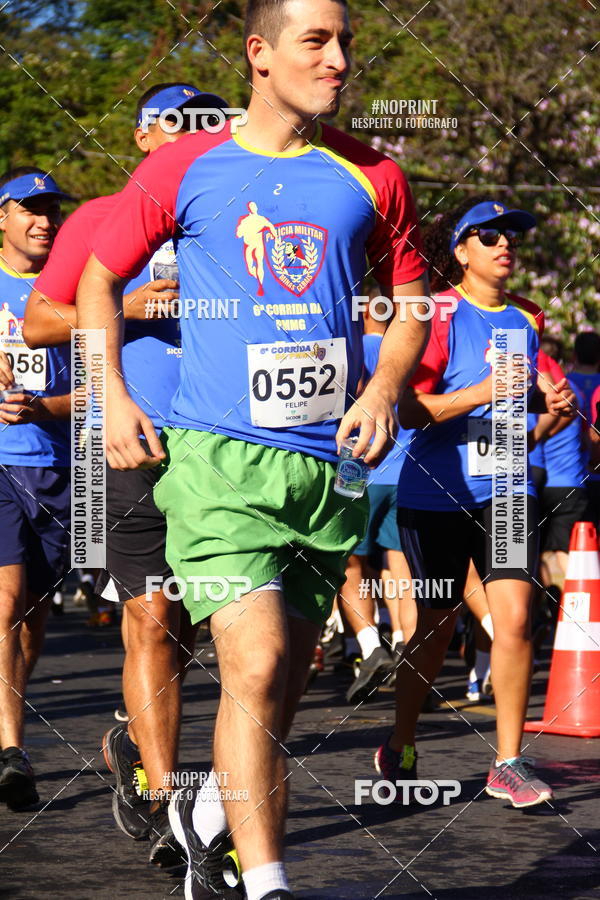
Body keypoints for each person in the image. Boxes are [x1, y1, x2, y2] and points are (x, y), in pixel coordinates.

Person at [76, 0, 430, 895]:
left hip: (329, 469)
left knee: (279, 687)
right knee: (258, 660)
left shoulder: (376, 174)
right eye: (317, 40)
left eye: (346, 41)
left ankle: (210, 808)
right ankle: (263, 881)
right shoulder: (182, 166)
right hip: (217, 461)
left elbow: (412, 304)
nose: (340, 59)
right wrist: (112, 395)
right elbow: (97, 280)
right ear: (259, 53)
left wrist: (384, 388)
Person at [26, 82, 228, 867]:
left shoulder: (235, 215)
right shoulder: (101, 218)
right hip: (129, 442)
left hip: (223, 448)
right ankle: (168, 799)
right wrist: (125, 308)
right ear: (143, 136)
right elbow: (40, 321)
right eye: (174, 123)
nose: (190, 134)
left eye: (205, 123)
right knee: (152, 617)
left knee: (209, 627)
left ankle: (135, 743)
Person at [376, 197, 576, 810]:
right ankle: (401, 741)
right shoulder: (436, 313)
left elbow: (518, 397)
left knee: (514, 620)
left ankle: (508, 763)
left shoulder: (527, 319)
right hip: (437, 491)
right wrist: (485, 391)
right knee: (435, 630)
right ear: (461, 251)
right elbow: (408, 409)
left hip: (508, 488)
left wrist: (547, 401)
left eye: (511, 235)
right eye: (488, 236)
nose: (503, 244)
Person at [0, 167, 72, 810]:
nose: (44, 221)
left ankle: (10, 717)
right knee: (6, 602)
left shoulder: (75, 287)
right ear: (2, 216)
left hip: (62, 469)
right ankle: (12, 751)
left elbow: (104, 385)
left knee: (32, 618)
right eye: (30, 208)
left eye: (52, 210)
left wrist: (44, 408)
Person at [342, 296, 417, 705]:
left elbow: (347, 396)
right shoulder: (406, 354)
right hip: (404, 469)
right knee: (398, 564)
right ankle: (406, 644)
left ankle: (371, 647)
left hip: (357, 468)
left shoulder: (353, 347)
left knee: (348, 564)